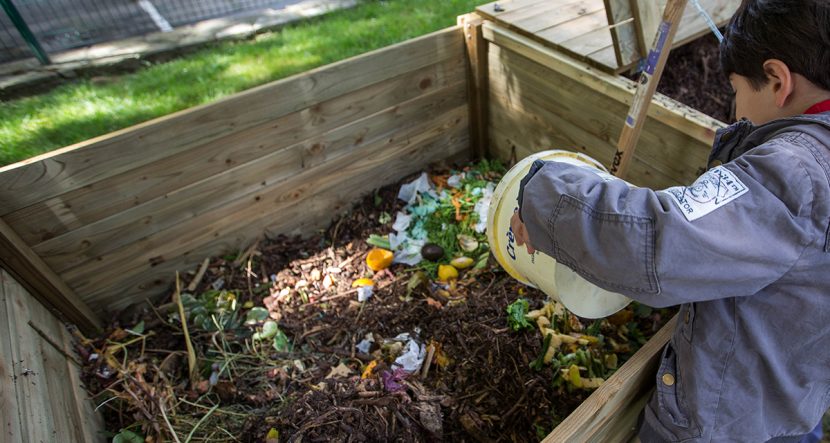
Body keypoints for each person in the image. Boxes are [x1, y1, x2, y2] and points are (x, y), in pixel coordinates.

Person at [509, 0, 830, 441]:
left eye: (736, 92)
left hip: (725, 420)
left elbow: (660, 240)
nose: (736, 112)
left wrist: (543, 197)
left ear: (777, 80)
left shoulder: (792, 175)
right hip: (793, 393)